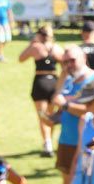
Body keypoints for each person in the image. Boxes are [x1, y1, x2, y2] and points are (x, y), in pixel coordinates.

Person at [46, 45, 94, 184]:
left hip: (89, 143)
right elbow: (57, 101)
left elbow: (91, 111)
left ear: (84, 58)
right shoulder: (68, 79)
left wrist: (65, 105)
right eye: (64, 62)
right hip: (67, 141)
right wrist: (53, 117)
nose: (68, 65)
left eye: (72, 60)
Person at [19, 25, 64, 156]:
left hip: (40, 80)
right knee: (51, 115)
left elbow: (21, 58)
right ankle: (49, 141)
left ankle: (47, 143)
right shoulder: (56, 48)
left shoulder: (36, 47)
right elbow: (65, 65)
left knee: (42, 115)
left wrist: (31, 44)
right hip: (54, 81)